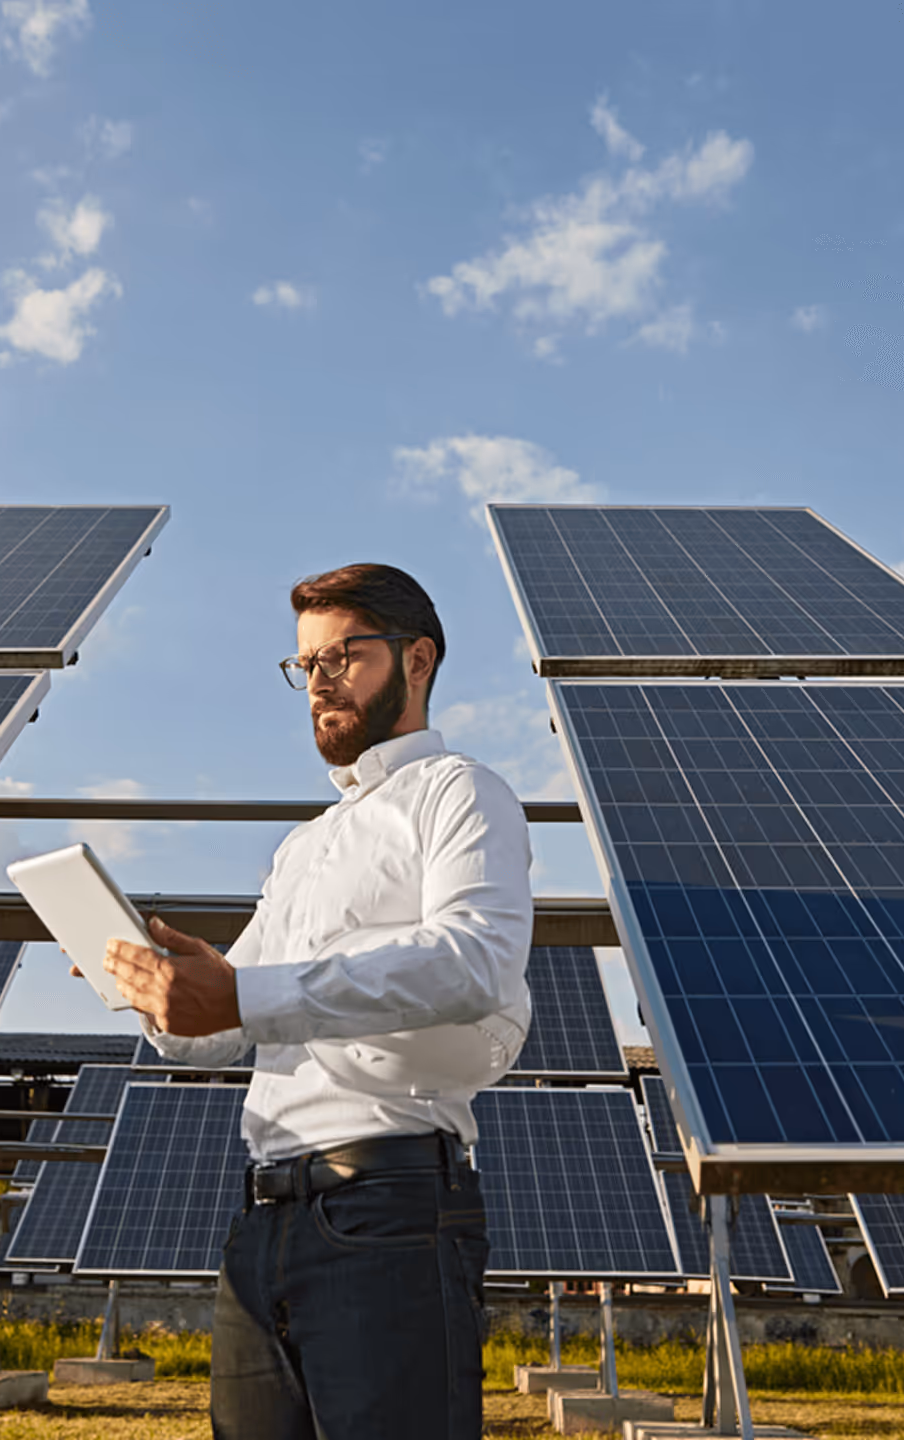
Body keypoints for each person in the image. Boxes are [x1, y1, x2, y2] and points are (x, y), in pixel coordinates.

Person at [101, 563, 534, 1440]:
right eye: (306, 665)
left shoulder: (460, 793)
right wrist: (157, 994)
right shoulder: (304, 847)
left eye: (344, 655)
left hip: (388, 1212)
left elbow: (475, 963)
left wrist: (244, 992)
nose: (319, 682)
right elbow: (219, 1036)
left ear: (417, 660)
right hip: (263, 1224)